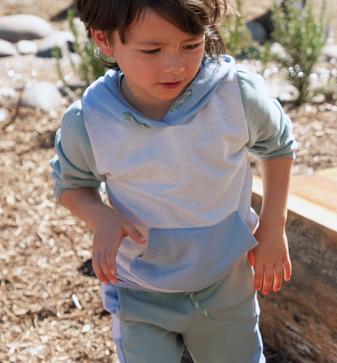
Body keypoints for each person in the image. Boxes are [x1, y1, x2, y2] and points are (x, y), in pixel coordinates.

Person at [49, 0, 296, 361]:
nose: (175, 65)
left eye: (191, 45)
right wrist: (101, 218)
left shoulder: (237, 96)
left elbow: (278, 146)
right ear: (103, 40)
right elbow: (72, 185)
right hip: (140, 289)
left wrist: (274, 226)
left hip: (226, 282)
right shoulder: (90, 122)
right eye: (152, 50)